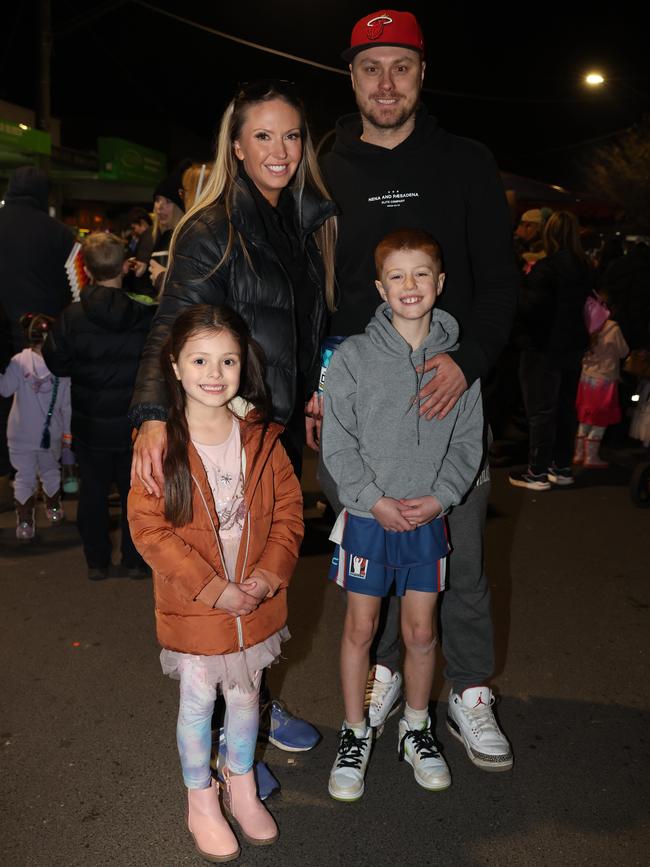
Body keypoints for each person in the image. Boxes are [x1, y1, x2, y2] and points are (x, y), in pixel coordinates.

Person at [314, 9, 517, 772]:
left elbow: (499, 283)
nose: (386, 82)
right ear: (353, 76)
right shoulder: (326, 167)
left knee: (458, 554)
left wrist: (471, 364)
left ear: (423, 73)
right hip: (358, 401)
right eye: (371, 67)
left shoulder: (465, 160)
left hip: (448, 394)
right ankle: (387, 673)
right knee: (375, 537)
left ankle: (467, 691)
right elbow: (314, 293)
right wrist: (317, 385)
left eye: (401, 65)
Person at [128, 80, 337, 756]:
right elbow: (170, 327)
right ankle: (221, 736)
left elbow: (299, 327)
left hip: (270, 434)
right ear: (237, 147)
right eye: (264, 136)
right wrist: (155, 416)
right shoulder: (212, 225)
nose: (281, 150)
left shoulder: (304, 221)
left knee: (260, 580)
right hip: (220, 438)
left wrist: (310, 388)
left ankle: (254, 705)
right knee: (216, 583)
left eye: (292, 135)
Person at [128, 305, 303, 861]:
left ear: (242, 365)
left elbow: (290, 512)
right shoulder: (160, 445)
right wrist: (211, 588)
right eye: (199, 359)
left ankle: (242, 783)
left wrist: (267, 576)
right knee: (199, 699)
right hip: (196, 603)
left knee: (248, 696)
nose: (214, 371)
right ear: (174, 368)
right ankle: (200, 798)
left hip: (253, 599)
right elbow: (148, 528)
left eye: (227, 360)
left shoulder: (261, 438)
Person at [322, 229, 484, 800]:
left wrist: (442, 496)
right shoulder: (354, 357)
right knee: (360, 629)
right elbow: (336, 440)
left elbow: (468, 444)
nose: (409, 285)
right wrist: (370, 498)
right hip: (370, 519)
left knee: (420, 632)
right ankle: (354, 730)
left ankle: (417, 728)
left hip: (426, 521)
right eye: (397, 275)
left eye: (421, 274)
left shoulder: (458, 367)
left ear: (440, 284)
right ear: (379, 287)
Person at [42, 232, 156, 580]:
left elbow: (56, 363)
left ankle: (97, 561)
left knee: (92, 493)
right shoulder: (144, 311)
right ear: (125, 266)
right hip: (134, 423)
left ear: (87, 271)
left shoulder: (72, 317)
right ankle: (136, 560)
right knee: (136, 492)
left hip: (90, 424)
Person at [0, 166, 75, 508]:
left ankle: (11, 471)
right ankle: (52, 477)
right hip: (43, 336)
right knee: (46, 402)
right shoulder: (59, 233)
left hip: (3, 334)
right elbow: (71, 289)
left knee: (7, 403)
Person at [509, 211, 593, 490]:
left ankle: (537, 471)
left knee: (541, 410)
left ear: (549, 233)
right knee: (566, 407)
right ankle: (563, 466)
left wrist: (520, 285)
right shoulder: (583, 265)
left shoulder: (548, 267)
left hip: (543, 346)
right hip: (573, 344)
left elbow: (531, 308)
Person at [0, 313, 71, 541]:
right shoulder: (62, 368)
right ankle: (53, 510)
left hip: (20, 433)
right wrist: (68, 435)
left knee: (24, 476)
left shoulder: (19, 362)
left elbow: (4, 389)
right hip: (51, 433)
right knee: (50, 471)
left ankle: (24, 523)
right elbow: (66, 407)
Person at [574, 292, 629, 468]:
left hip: (586, 378)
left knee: (585, 417)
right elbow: (623, 351)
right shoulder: (613, 328)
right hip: (604, 381)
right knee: (600, 419)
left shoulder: (587, 324)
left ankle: (578, 453)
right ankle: (591, 457)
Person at [148, 160, 192, 296]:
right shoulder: (161, 237)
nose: (159, 207)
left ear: (179, 207)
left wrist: (163, 278)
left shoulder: (186, 237)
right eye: (157, 200)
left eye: (168, 201)